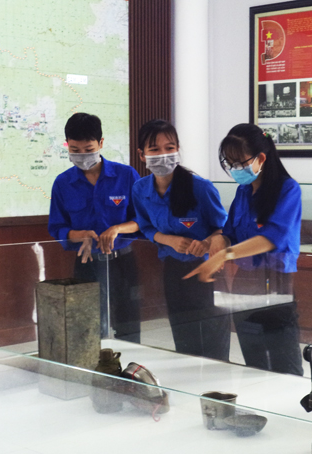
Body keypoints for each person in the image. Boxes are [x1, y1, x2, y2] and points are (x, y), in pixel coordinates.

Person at [185, 123, 304, 376]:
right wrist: (216, 243)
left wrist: (225, 254)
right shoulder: (243, 192)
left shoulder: (288, 189)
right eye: (229, 163)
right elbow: (230, 232)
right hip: (243, 286)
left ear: (261, 158)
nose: (234, 170)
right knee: (254, 364)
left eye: (239, 163)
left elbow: (272, 237)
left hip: (276, 286)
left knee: (286, 365)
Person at [132, 119, 230, 360]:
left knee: (213, 341)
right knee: (183, 339)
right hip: (173, 271)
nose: (163, 155)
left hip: (207, 271)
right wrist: (168, 239)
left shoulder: (200, 188)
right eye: (154, 149)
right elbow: (144, 226)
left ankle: (217, 391)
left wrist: (207, 242)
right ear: (142, 155)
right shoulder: (140, 190)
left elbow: (225, 229)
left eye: (170, 147)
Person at [48, 113, 141, 343]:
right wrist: (75, 235)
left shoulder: (126, 175)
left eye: (88, 149)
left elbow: (143, 220)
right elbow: (57, 226)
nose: (82, 156)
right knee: (88, 327)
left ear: (100, 143)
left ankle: (129, 376)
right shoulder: (62, 183)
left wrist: (118, 228)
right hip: (86, 264)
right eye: (75, 150)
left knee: (128, 327)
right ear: (67, 145)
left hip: (123, 263)